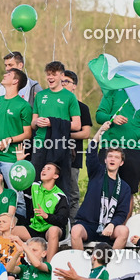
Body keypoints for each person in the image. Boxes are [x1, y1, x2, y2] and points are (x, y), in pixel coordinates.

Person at [30, 61, 81, 194]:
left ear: (62, 75)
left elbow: (77, 125)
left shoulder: (70, 97)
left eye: (54, 74)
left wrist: (53, 123)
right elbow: (32, 123)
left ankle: (60, 214)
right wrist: (37, 122)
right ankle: (36, 212)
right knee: (36, 182)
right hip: (40, 143)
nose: (50, 77)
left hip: (60, 144)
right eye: (48, 74)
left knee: (61, 183)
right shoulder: (40, 96)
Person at [70, 146, 132, 250]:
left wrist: (112, 224)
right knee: (76, 230)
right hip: (87, 224)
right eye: (110, 156)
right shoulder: (96, 173)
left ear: (121, 163)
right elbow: (90, 155)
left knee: (124, 230)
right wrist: (98, 135)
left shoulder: (124, 187)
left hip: (108, 227)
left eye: (116, 157)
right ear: (105, 160)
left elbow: (122, 213)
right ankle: (80, 265)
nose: (112, 159)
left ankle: (111, 265)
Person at [0, 68, 33, 189]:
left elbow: (27, 134)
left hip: (11, 158)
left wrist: (8, 140)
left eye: (9, 74)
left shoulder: (24, 106)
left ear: (15, 81)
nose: (4, 75)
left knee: (16, 194)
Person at [12, 163, 70, 263]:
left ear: (55, 176)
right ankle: (16, 264)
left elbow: (63, 220)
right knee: (9, 230)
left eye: (48, 169)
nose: (44, 170)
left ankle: (49, 266)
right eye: (43, 168)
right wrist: (20, 163)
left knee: (53, 231)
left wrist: (47, 216)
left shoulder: (60, 196)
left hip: (50, 230)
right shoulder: (34, 186)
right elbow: (20, 184)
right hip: (35, 228)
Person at [62, 70, 93, 221]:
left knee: (73, 194)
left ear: (74, 86)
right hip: (53, 153)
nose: (63, 84)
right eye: (61, 81)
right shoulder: (54, 106)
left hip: (74, 156)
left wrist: (62, 133)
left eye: (66, 81)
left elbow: (86, 133)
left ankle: (73, 227)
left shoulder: (82, 108)